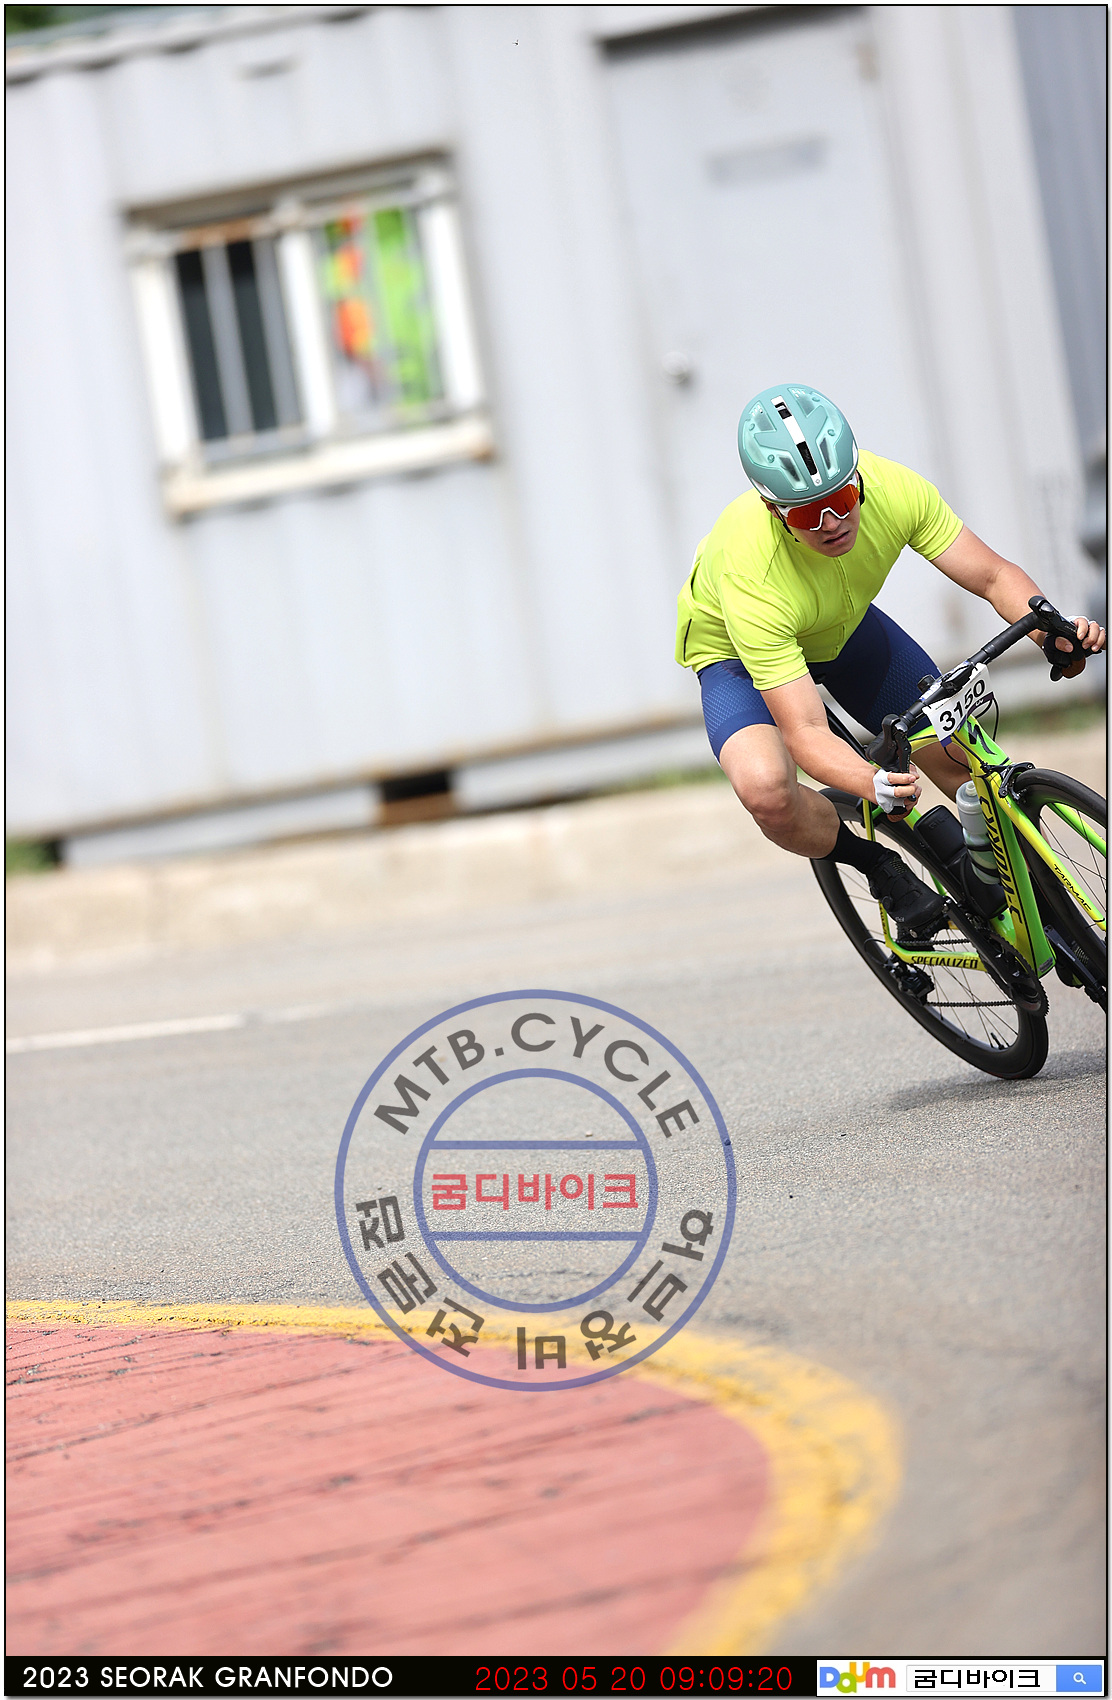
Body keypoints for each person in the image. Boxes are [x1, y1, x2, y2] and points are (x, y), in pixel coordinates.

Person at [676, 384, 1106, 932]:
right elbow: (806, 731)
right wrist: (869, 782)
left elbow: (994, 577)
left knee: (958, 757)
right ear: (772, 509)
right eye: (807, 513)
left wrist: (1052, 635)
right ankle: (874, 862)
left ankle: (1035, 900)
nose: (831, 522)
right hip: (738, 656)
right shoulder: (750, 573)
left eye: (842, 500)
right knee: (766, 790)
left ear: (858, 477)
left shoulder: (893, 488)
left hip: (844, 628)